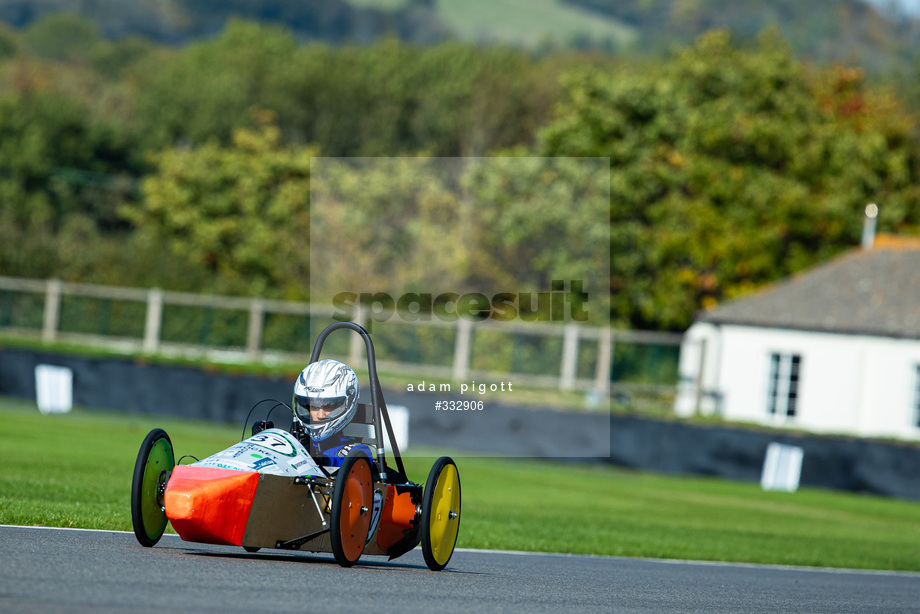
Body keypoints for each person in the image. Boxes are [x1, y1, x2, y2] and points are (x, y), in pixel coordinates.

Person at [292, 358, 373, 468]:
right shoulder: (293, 443)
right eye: (314, 407)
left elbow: (354, 469)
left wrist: (320, 459)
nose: (320, 415)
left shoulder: (356, 452)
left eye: (328, 407)